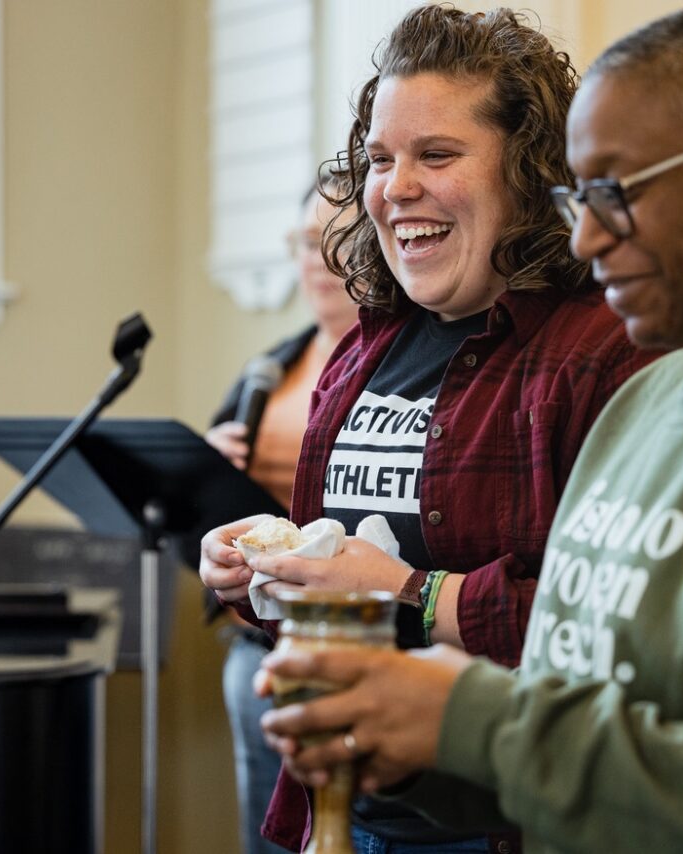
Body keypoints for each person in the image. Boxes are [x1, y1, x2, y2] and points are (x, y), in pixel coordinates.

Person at [257, 4, 683, 853]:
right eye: (576, 196)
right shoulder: (645, 405)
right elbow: (585, 698)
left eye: (617, 191)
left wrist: (460, 705)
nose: (585, 233)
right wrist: (412, 746)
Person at [199, 6, 655, 852]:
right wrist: (263, 575)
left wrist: (407, 595)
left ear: (528, 172)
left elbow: (618, 630)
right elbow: (341, 582)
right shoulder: (363, 352)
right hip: (339, 809)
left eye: (436, 155)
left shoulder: (600, 355)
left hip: (500, 822)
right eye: (379, 159)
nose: (394, 188)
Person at [205, 183, 360, 854]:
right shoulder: (270, 369)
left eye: (336, 241)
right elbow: (207, 523)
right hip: (258, 645)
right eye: (304, 242)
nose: (317, 260)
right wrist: (205, 469)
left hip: (350, 639)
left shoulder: (399, 370)